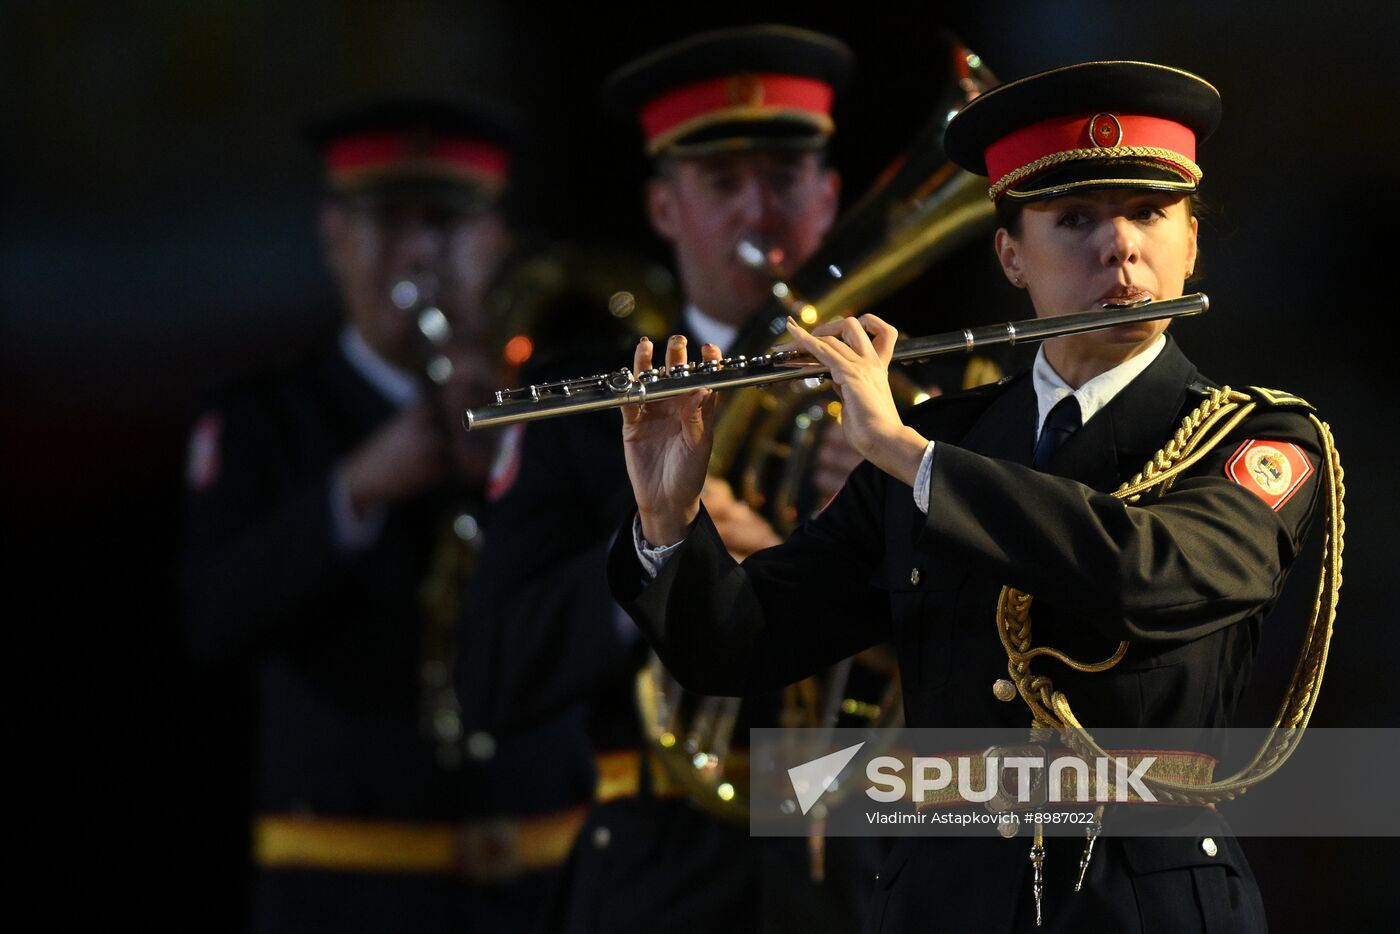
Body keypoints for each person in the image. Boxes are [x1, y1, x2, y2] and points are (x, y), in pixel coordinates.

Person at [610, 60, 1325, 932]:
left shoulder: (1255, 437)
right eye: (1075, 221)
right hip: (939, 902)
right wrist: (667, 518)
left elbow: (1151, 575)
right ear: (1011, 256)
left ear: (1191, 243)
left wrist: (908, 455)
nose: (1122, 247)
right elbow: (737, 647)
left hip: (1142, 903)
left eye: (1150, 214)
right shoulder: (944, 434)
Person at [460, 25, 904, 933]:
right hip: (661, 874)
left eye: (783, 181)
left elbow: (1004, 677)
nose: (758, 213)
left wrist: (896, 512)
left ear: (828, 197)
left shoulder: (917, 408)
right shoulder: (581, 407)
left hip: (870, 860)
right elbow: (493, 678)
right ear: (664, 208)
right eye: (721, 184)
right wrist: (661, 548)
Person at [181, 98, 594, 933]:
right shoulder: (266, 418)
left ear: (495, 243)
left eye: (445, 223)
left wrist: (511, 477)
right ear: (334, 236)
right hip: (349, 896)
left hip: (550, 890)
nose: (416, 253)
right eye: (384, 223)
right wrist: (357, 488)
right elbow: (213, 619)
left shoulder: (558, 417)